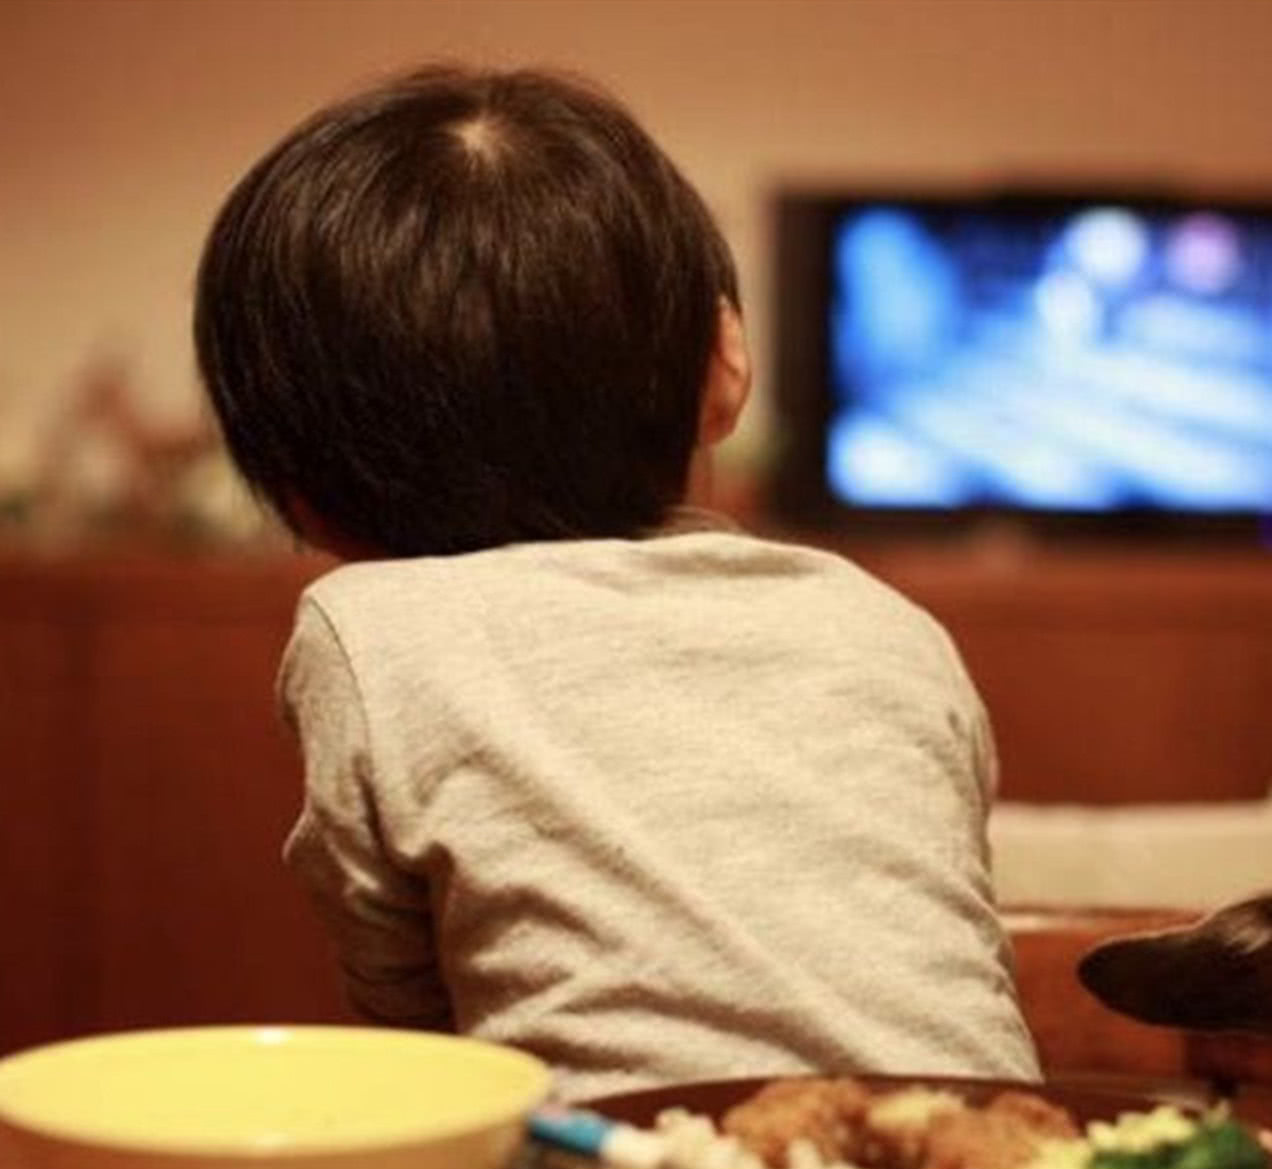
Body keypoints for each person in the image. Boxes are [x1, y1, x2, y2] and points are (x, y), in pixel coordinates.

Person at [192, 64, 1040, 1101]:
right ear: (725, 367)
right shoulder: (886, 623)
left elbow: (414, 1033)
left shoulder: (370, 632)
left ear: (293, 481)